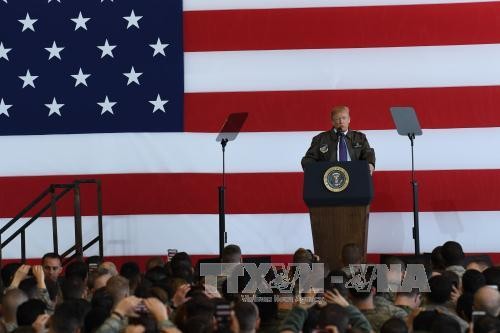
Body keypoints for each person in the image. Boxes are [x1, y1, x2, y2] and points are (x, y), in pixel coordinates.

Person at [301, 105, 375, 174]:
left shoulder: (360, 137)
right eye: (337, 119)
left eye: (344, 118)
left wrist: (370, 164)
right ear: (332, 122)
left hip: (355, 176)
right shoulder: (320, 139)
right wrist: (311, 169)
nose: (341, 121)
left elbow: (368, 153)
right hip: (329, 180)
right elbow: (309, 159)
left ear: (349, 119)